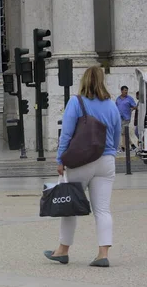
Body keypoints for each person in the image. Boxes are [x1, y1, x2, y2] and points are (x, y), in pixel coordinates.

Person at [44, 66, 121, 268]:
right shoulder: (112, 105)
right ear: (102, 81)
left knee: (70, 207)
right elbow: (116, 134)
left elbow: (67, 134)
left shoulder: (76, 102)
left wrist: (60, 160)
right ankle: (103, 254)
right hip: (106, 161)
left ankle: (63, 250)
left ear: (84, 80)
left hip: (81, 161)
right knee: (103, 210)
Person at [115, 85, 137, 152]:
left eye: (127, 90)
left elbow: (135, 106)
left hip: (126, 117)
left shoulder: (129, 98)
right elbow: (116, 107)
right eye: (125, 90)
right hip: (119, 118)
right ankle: (132, 145)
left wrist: (131, 110)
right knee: (125, 132)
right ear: (121, 91)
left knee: (123, 132)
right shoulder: (118, 99)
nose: (126, 91)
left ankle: (123, 147)